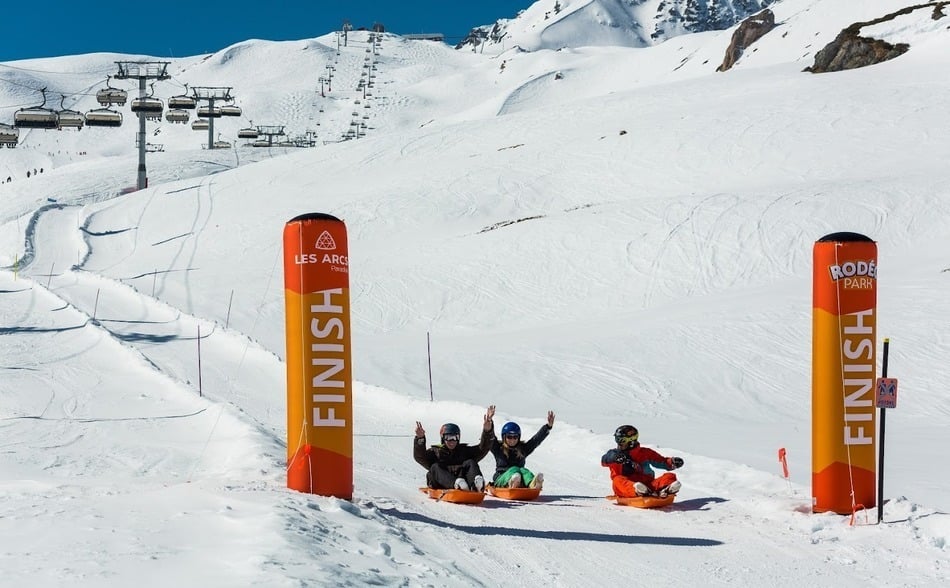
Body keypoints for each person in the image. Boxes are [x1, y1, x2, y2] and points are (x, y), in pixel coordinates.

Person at [414, 405, 495, 492]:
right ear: (443, 438)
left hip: (462, 480)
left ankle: (477, 483)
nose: (452, 441)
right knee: (435, 467)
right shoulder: (436, 452)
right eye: (448, 437)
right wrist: (420, 439)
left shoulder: (464, 451)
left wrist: (487, 430)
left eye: (455, 437)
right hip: (440, 482)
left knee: (470, 462)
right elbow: (420, 456)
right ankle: (457, 484)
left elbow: (483, 449)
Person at [601, 425, 684, 498]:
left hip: (648, 485)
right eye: (617, 440)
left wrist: (671, 462)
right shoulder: (614, 454)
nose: (619, 444)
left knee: (670, 476)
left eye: (622, 441)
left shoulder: (645, 453)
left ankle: (666, 489)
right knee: (617, 480)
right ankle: (637, 491)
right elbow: (604, 460)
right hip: (626, 488)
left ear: (632, 441)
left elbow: (662, 461)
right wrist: (615, 457)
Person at [489, 411, 554, 489]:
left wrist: (548, 427)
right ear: (504, 437)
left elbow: (535, 440)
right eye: (509, 437)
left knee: (524, 470)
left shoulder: (523, 449)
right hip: (501, 479)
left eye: (515, 437)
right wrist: (489, 422)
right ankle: (512, 482)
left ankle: (533, 484)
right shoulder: (498, 448)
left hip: (519, 478)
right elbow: (490, 437)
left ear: (518, 437)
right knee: (515, 469)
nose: (512, 440)